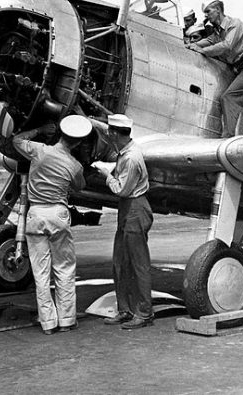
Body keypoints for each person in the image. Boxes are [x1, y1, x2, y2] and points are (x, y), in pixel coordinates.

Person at [0, 115, 92, 335]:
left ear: (60, 134)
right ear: (77, 142)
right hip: (58, 215)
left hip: (36, 214)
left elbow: (16, 140)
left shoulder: (39, 150)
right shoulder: (74, 165)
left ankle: (48, 323)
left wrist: (40, 127)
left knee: (41, 273)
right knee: (64, 269)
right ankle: (67, 320)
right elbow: (80, 186)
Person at [92, 114, 154, 330]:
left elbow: (122, 189)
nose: (108, 134)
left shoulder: (131, 157)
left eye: (110, 132)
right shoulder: (125, 152)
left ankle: (144, 313)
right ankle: (125, 309)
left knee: (138, 263)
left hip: (135, 207)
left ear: (116, 134)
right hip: (128, 208)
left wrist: (105, 174)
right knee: (120, 261)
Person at [186, 0, 243, 137]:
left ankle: (227, 137)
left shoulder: (235, 24)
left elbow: (227, 45)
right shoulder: (218, 31)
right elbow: (208, 40)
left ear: (218, 10)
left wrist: (203, 51)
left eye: (208, 11)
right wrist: (191, 46)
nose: (206, 15)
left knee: (229, 97)